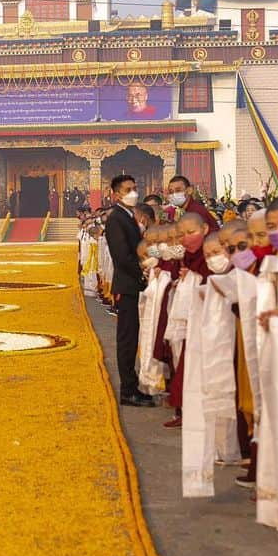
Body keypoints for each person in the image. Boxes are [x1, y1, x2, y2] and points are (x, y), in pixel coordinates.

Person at [104, 174, 154, 407]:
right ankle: (128, 390)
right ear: (116, 194)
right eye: (127, 190)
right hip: (127, 284)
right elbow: (122, 256)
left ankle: (133, 385)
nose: (133, 192)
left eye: (134, 188)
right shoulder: (116, 219)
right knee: (127, 338)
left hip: (132, 283)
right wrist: (141, 272)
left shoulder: (128, 216)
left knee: (133, 336)